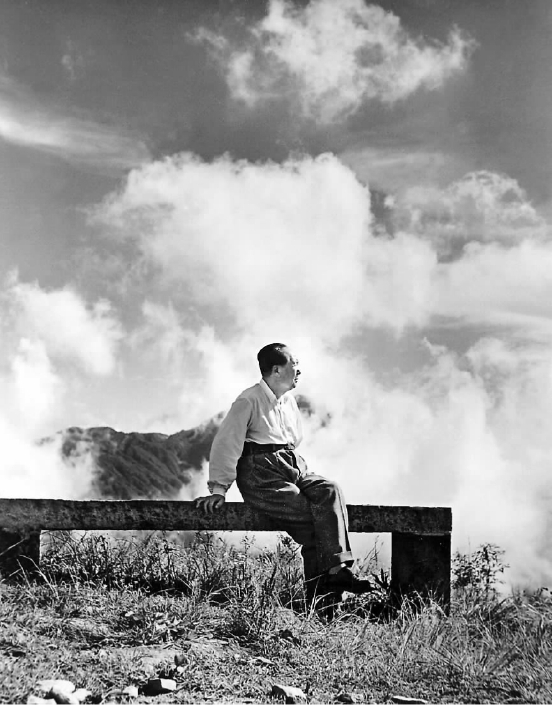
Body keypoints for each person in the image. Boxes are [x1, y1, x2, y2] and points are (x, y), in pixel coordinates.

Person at [195, 343, 372, 595]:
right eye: (294, 364)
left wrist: (290, 462)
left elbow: (294, 439)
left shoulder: (289, 401)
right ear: (277, 370)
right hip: (261, 473)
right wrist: (218, 490)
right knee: (316, 524)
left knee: (329, 490)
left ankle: (335, 573)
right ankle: (329, 592)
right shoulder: (248, 400)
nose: (299, 371)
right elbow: (226, 444)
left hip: (292, 464)